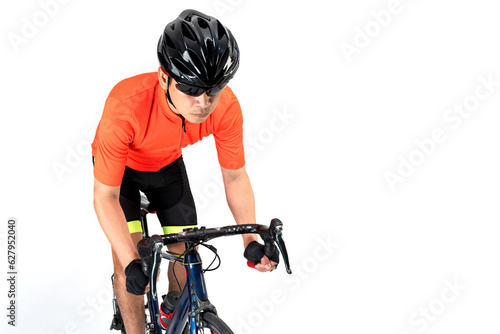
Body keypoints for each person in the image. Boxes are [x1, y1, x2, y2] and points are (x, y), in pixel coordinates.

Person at [92, 9, 279, 333]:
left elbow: (234, 175)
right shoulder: (125, 108)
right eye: (191, 90)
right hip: (121, 174)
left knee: (186, 251)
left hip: (165, 165)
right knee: (130, 265)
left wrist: (249, 239)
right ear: (165, 78)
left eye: (213, 90)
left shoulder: (226, 108)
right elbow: (105, 196)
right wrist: (132, 262)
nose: (203, 103)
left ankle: (172, 309)